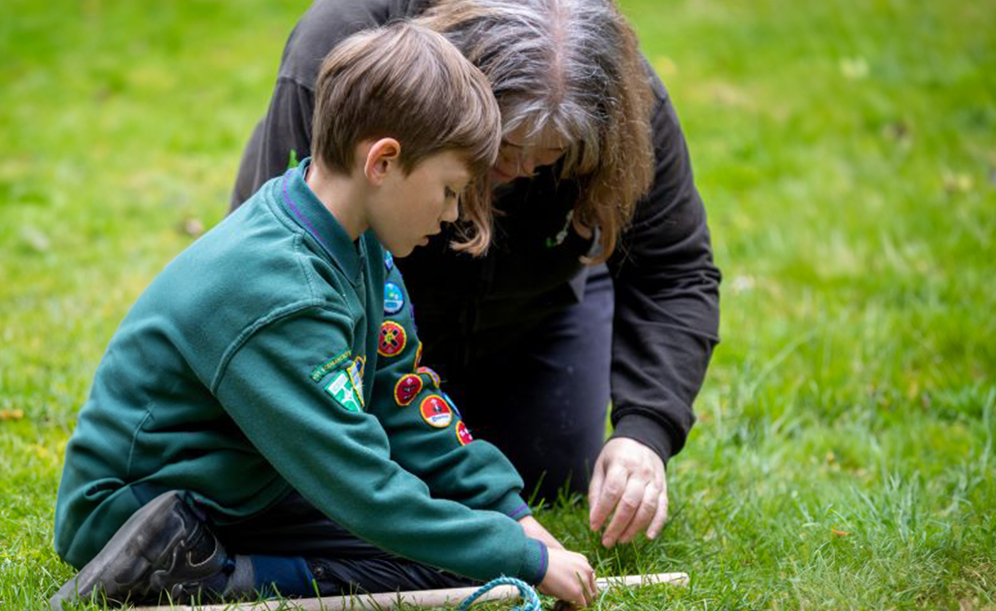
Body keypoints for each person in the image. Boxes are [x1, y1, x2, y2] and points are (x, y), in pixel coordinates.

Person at [51, 22, 598, 610]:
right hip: (136, 511)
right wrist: (520, 559)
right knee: (440, 566)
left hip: (240, 481)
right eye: (449, 189)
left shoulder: (357, 239)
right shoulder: (283, 293)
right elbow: (362, 489)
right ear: (383, 162)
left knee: (449, 546)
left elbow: (403, 396)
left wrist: (511, 516)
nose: (454, 213)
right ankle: (207, 575)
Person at [230, 0, 722, 549]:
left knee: (550, 468)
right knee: (329, 487)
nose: (518, 171)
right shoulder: (344, 45)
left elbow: (674, 269)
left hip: (533, 308)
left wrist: (645, 430)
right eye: (505, 149)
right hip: (371, 328)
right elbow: (270, 271)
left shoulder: (625, 99)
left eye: (551, 159)